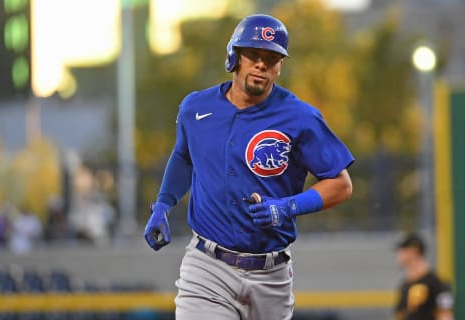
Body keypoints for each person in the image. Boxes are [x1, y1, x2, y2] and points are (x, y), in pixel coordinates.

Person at [144, 14, 354, 320]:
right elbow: (184, 157)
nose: (261, 65)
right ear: (234, 57)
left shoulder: (299, 117)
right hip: (208, 266)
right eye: (253, 54)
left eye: (271, 58)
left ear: (280, 66)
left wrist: (286, 207)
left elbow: (341, 184)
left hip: (271, 275)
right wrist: (163, 205)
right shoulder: (196, 108)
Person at [394, 233, 454, 320]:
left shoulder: (436, 283)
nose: (398, 254)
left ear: (414, 251)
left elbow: (445, 314)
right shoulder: (405, 284)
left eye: (402, 250)